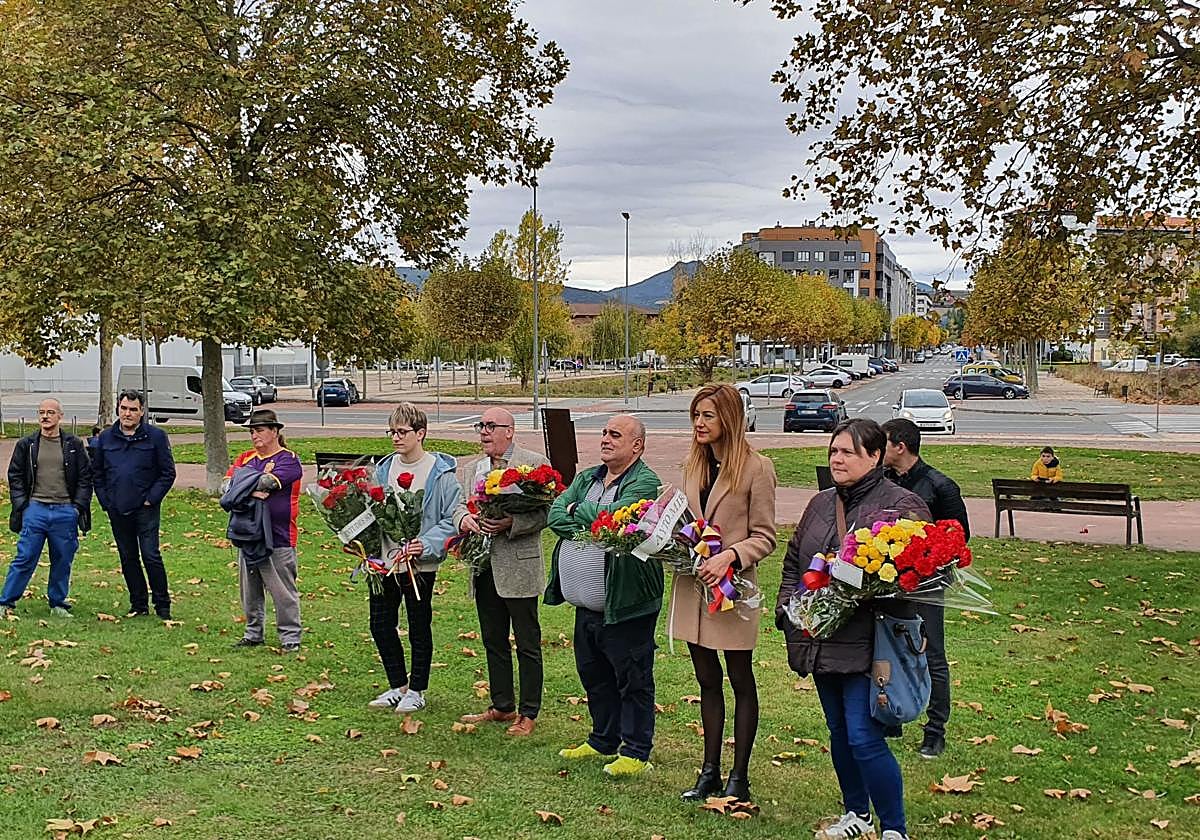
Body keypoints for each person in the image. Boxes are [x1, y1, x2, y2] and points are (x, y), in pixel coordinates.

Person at [777, 418, 930, 840]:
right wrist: (790, 610)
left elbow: (917, 577)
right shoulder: (821, 504)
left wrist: (866, 588)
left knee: (864, 737)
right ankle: (856, 815)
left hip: (871, 642)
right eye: (833, 451)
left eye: (847, 451)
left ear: (875, 455)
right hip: (821, 638)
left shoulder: (901, 505)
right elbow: (794, 561)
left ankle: (894, 828)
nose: (837, 458)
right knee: (840, 733)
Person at [673, 384, 777, 803]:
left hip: (731, 590)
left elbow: (765, 536)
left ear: (729, 419)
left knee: (739, 679)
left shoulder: (757, 468)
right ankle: (709, 771)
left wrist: (731, 556)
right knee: (705, 680)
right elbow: (685, 520)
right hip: (693, 585)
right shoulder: (691, 466)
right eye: (696, 415)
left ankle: (740, 777)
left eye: (708, 416)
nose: (699, 423)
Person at [545, 415, 662, 777]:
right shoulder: (587, 478)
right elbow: (554, 516)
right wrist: (592, 519)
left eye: (615, 435)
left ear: (637, 445)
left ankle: (636, 750)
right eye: (604, 433)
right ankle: (602, 739)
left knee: (632, 677)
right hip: (587, 605)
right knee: (594, 674)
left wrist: (580, 512)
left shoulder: (645, 481)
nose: (606, 439)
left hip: (626, 603)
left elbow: (620, 522)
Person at [454, 408, 548, 736]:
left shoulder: (534, 464)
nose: (483, 431)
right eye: (481, 425)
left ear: (510, 431)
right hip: (483, 566)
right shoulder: (472, 469)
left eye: (491, 426)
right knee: (493, 639)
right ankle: (502, 705)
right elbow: (456, 507)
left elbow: (546, 513)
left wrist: (513, 523)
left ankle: (529, 712)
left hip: (518, 565)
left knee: (527, 642)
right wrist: (463, 521)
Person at [881, 418, 970, 760]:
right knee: (889, 650)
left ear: (900, 447)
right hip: (887, 581)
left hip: (927, 586)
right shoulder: (883, 481)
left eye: (884, 443)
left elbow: (959, 537)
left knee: (931, 654)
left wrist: (927, 558)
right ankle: (892, 714)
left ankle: (935, 731)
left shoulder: (939, 486)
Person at [367, 403, 462, 714]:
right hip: (384, 561)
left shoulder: (441, 473)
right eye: (391, 432)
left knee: (418, 624)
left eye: (402, 432)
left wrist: (425, 544)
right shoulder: (382, 469)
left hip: (418, 563)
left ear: (420, 433)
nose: (395, 438)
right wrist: (364, 544)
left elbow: (451, 518)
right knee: (380, 624)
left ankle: (418, 689)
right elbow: (372, 511)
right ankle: (398, 685)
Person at [1, 398, 92, 618]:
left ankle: (58, 603)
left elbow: (85, 477)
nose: (45, 416)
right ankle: (6, 602)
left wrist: (77, 507)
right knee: (25, 557)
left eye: (50, 412)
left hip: (65, 511)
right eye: (41, 412)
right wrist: (23, 504)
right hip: (35, 510)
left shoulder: (73, 445)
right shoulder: (27, 444)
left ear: (60, 416)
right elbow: (15, 476)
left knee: (62, 558)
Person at [91, 390, 177, 619]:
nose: (127, 413)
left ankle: (162, 605)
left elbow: (167, 473)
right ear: (118, 409)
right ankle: (138, 604)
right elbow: (97, 474)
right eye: (123, 408)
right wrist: (106, 501)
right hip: (117, 508)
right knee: (128, 557)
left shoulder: (156, 437)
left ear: (142, 412)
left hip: (146, 508)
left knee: (151, 555)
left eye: (133, 409)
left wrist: (151, 498)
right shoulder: (106, 438)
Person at [224, 409, 303, 652]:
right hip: (247, 532)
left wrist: (243, 484)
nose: (254, 436)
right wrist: (253, 485)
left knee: (282, 590)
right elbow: (226, 486)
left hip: (279, 536)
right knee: (249, 590)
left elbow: (271, 482)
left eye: (259, 430)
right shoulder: (245, 458)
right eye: (251, 431)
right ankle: (253, 633)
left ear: (275, 431)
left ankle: (290, 637)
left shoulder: (288, 459)